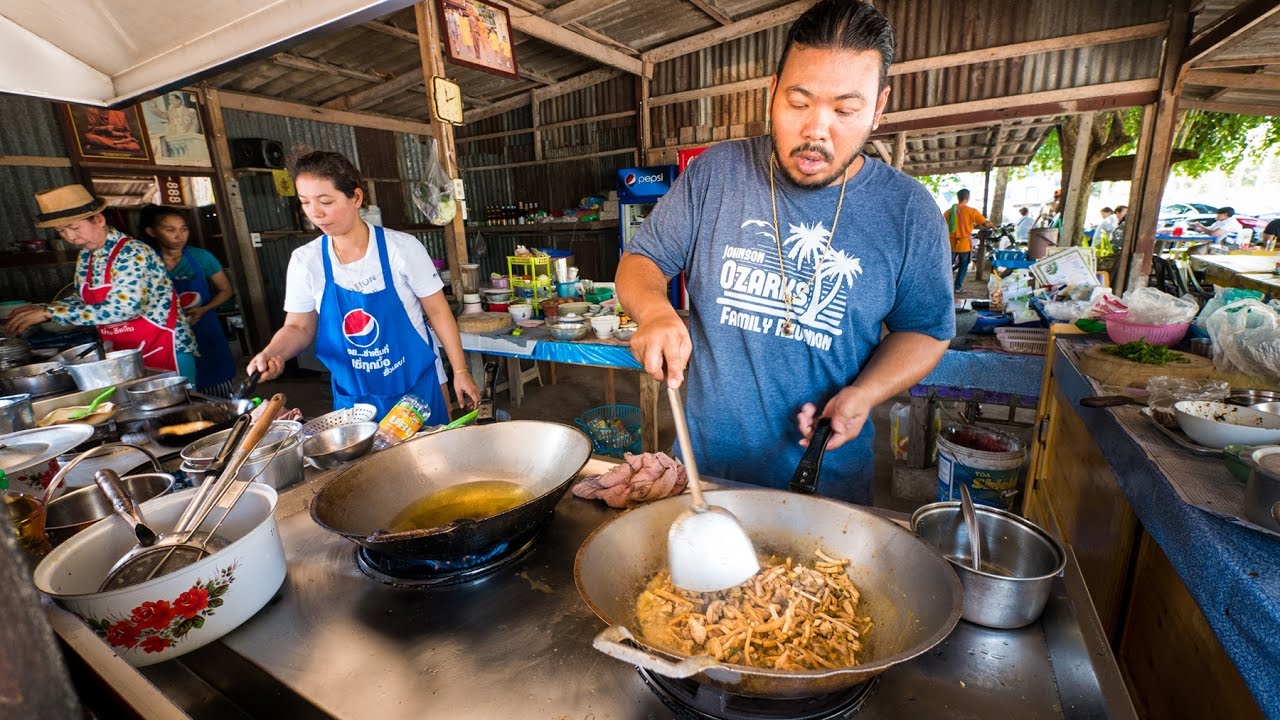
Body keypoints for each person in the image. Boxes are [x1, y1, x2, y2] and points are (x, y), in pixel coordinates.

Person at [616, 0, 954, 505]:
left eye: (845, 110)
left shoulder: (908, 212)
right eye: (799, 103)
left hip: (824, 485)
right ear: (772, 93)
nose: (817, 131)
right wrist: (655, 311)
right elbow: (641, 261)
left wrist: (864, 394)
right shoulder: (716, 173)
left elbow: (925, 329)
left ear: (879, 107)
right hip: (702, 475)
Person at [246, 151, 479, 422]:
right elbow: (298, 326)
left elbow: (439, 313)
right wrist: (273, 353)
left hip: (416, 388)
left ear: (356, 197)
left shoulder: (401, 249)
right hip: (354, 396)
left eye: (325, 201)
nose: (315, 213)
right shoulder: (305, 261)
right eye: (305, 202)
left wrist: (460, 372)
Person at [4, 185, 197, 382]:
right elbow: (82, 298)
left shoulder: (132, 252)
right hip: (127, 351)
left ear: (99, 220)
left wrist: (49, 314)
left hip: (164, 347)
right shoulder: (87, 256)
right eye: (61, 231)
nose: (70, 237)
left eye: (74, 228)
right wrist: (45, 309)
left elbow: (124, 309)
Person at [140, 205, 237, 395]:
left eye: (183, 229)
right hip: (168, 337)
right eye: (170, 230)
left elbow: (226, 290)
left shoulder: (202, 257)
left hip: (206, 329)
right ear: (151, 232)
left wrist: (204, 309)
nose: (179, 236)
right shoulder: (146, 262)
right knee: (181, 390)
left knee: (219, 386)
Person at [945, 188, 992, 292]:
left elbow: (942, 223)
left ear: (958, 198)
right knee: (963, 267)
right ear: (967, 198)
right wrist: (991, 225)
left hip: (951, 244)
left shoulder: (949, 212)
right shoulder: (972, 211)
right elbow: (985, 223)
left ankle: (945, 287)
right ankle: (957, 288)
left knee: (947, 267)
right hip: (964, 245)